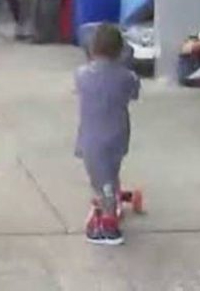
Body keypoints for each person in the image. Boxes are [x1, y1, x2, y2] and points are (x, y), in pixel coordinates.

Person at [76, 24, 140, 246]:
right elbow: (134, 93)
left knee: (101, 180)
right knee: (111, 171)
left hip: (93, 137)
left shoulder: (82, 75)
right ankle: (112, 199)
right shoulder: (127, 77)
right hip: (118, 134)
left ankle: (108, 224)